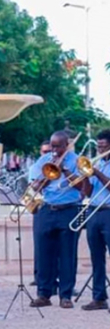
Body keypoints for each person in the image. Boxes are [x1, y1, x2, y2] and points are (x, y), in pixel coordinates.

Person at [29, 131, 82, 309]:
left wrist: (65, 170)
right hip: (47, 209)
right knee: (43, 253)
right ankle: (44, 293)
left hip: (69, 209)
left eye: (58, 146)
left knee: (67, 254)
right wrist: (48, 173)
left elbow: (82, 187)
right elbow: (34, 186)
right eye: (52, 145)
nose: (55, 149)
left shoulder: (76, 160)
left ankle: (65, 295)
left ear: (66, 145)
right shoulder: (44, 161)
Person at [80, 130, 110, 311]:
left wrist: (96, 172)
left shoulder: (98, 166)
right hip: (94, 211)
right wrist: (85, 179)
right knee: (96, 258)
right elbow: (89, 193)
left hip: (109, 212)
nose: (100, 149)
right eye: (98, 146)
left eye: (103, 146)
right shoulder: (98, 162)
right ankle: (98, 297)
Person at [31, 140, 52, 287]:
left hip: (58, 206)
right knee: (41, 249)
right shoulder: (36, 166)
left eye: (50, 151)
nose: (48, 154)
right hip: (41, 208)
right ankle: (41, 280)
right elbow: (34, 187)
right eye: (44, 152)